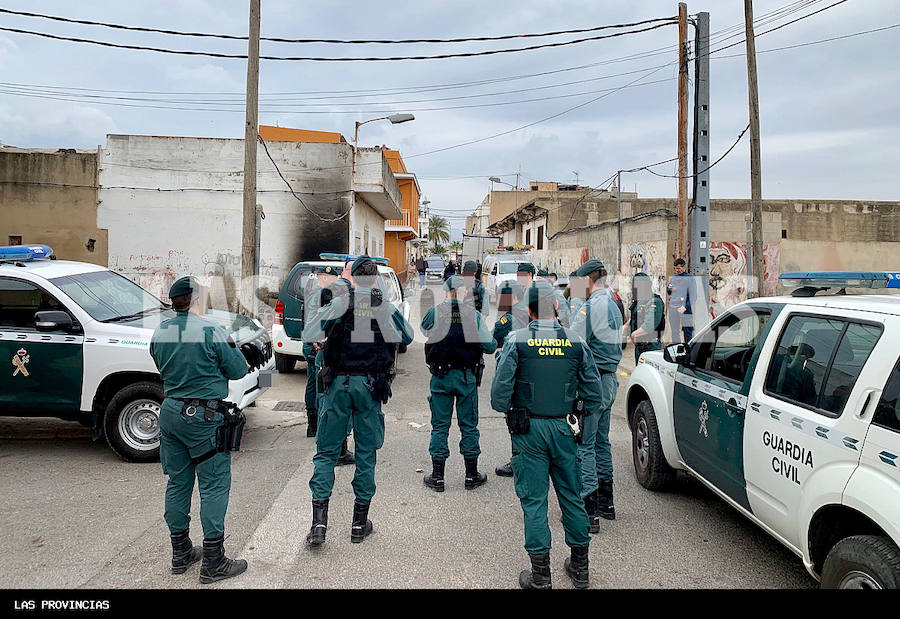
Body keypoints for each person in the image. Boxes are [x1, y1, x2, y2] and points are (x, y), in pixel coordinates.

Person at [490, 281, 605, 589]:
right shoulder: (576, 342)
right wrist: (577, 415)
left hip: (529, 432)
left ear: (528, 311)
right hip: (565, 429)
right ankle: (580, 569)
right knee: (571, 495)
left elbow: (499, 398)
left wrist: (510, 408)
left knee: (534, 500)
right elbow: (595, 396)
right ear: (556, 307)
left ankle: (541, 575)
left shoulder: (517, 341)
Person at [303, 256, 414, 546]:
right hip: (369, 387)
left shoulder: (341, 302)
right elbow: (408, 337)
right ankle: (358, 524)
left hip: (338, 385)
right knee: (366, 454)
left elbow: (311, 330)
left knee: (326, 454)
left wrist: (323, 340)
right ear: (375, 279)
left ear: (352, 279)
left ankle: (318, 526)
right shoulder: (383, 306)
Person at [150, 276, 249, 583]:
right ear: (194, 300)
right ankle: (214, 561)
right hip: (203, 417)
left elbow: (159, 361)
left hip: (170, 412)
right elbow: (238, 369)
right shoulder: (210, 330)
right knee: (214, 485)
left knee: (178, 482)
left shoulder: (160, 330)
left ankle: (180, 552)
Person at [421, 275, 497, 492]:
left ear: (446, 292)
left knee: (440, 426)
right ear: (464, 293)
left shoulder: (434, 312)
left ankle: (437, 477)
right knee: (469, 426)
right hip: (466, 378)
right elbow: (490, 346)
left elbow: (426, 331)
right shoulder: (473, 315)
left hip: (441, 378)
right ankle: (471, 476)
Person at [569, 259, 622, 532]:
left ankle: (588, 511)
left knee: (585, 445)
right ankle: (607, 503)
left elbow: (574, 343)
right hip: (610, 379)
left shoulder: (591, 306)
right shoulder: (613, 303)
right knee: (602, 442)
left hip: (594, 382)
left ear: (589, 279)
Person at [302, 265, 356, 465]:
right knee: (327, 395)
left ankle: (312, 426)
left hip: (314, 347)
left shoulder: (312, 292)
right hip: (323, 350)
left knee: (314, 387)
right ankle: (335, 445)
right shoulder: (335, 293)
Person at [494, 270, 533, 478]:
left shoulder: (508, 317)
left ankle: (517, 461)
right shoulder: (531, 311)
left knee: (515, 416)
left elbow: (494, 337)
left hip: (515, 372)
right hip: (535, 371)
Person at [625, 272, 665, 365]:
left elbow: (649, 325)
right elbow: (636, 316)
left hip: (650, 347)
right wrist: (626, 326)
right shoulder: (640, 300)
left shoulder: (655, 301)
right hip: (639, 347)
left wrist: (634, 334)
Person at [667, 258, 694, 344]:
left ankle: (689, 349)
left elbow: (693, 296)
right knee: (674, 331)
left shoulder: (690, 278)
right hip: (673, 308)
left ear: (683, 267)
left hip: (685, 309)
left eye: (678, 268)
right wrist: (669, 289)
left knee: (687, 331)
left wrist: (685, 307)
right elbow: (669, 292)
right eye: (675, 268)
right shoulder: (673, 278)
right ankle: (677, 348)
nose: (677, 270)